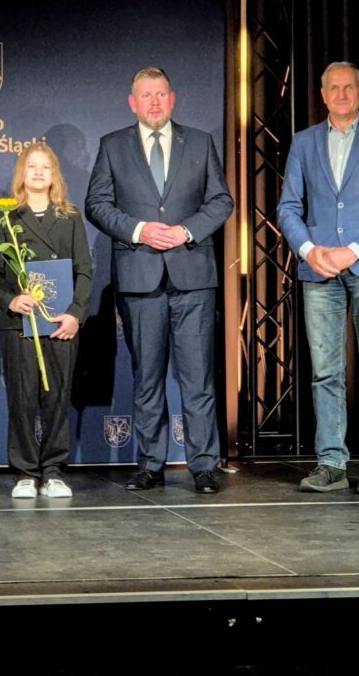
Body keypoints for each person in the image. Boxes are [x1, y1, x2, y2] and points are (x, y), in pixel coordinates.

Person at [85, 67, 233, 494]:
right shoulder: (113, 145)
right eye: (146, 95)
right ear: (133, 102)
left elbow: (221, 200)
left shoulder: (199, 142)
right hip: (141, 276)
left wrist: (186, 230)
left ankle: (204, 466)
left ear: (173, 98)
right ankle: (150, 465)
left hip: (193, 277)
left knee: (198, 378)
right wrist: (139, 230)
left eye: (161, 94)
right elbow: (97, 204)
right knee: (147, 378)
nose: (154, 102)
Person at [278, 61, 359, 495]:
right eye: (333, 88)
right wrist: (309, 250)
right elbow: (288, 207)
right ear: (322, 95)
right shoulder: (304, 142)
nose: (341, 94)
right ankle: (331, 462)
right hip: (318, 269)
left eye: (348, 87)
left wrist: (353, 250)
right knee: (325, 371)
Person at [0, 143, 92, 498]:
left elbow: (84, 270)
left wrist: (75, 314)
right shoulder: (6, 216)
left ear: (55, 174)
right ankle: (25, 472)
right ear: (22, 173)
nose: (39, 172)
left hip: (60, 323)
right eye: (32, 166)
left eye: (46, 166)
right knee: (22, 398)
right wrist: (11, 300)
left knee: (57, 397)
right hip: (20, 324)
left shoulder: (69, 216)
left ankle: (54, 470)